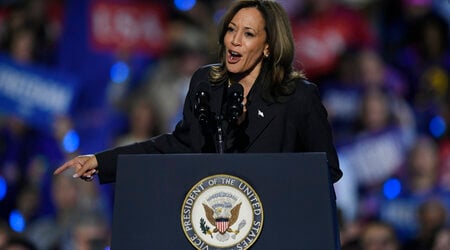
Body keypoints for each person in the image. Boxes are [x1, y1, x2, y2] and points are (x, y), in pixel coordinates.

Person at [54, 0, 342, 186]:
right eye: (231, 30)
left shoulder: (298, 96)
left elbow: (326, 170)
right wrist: (101, 161)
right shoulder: (207, 83)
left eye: (249, 34)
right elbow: (177, 145)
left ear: (269, 46)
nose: (234, 41)